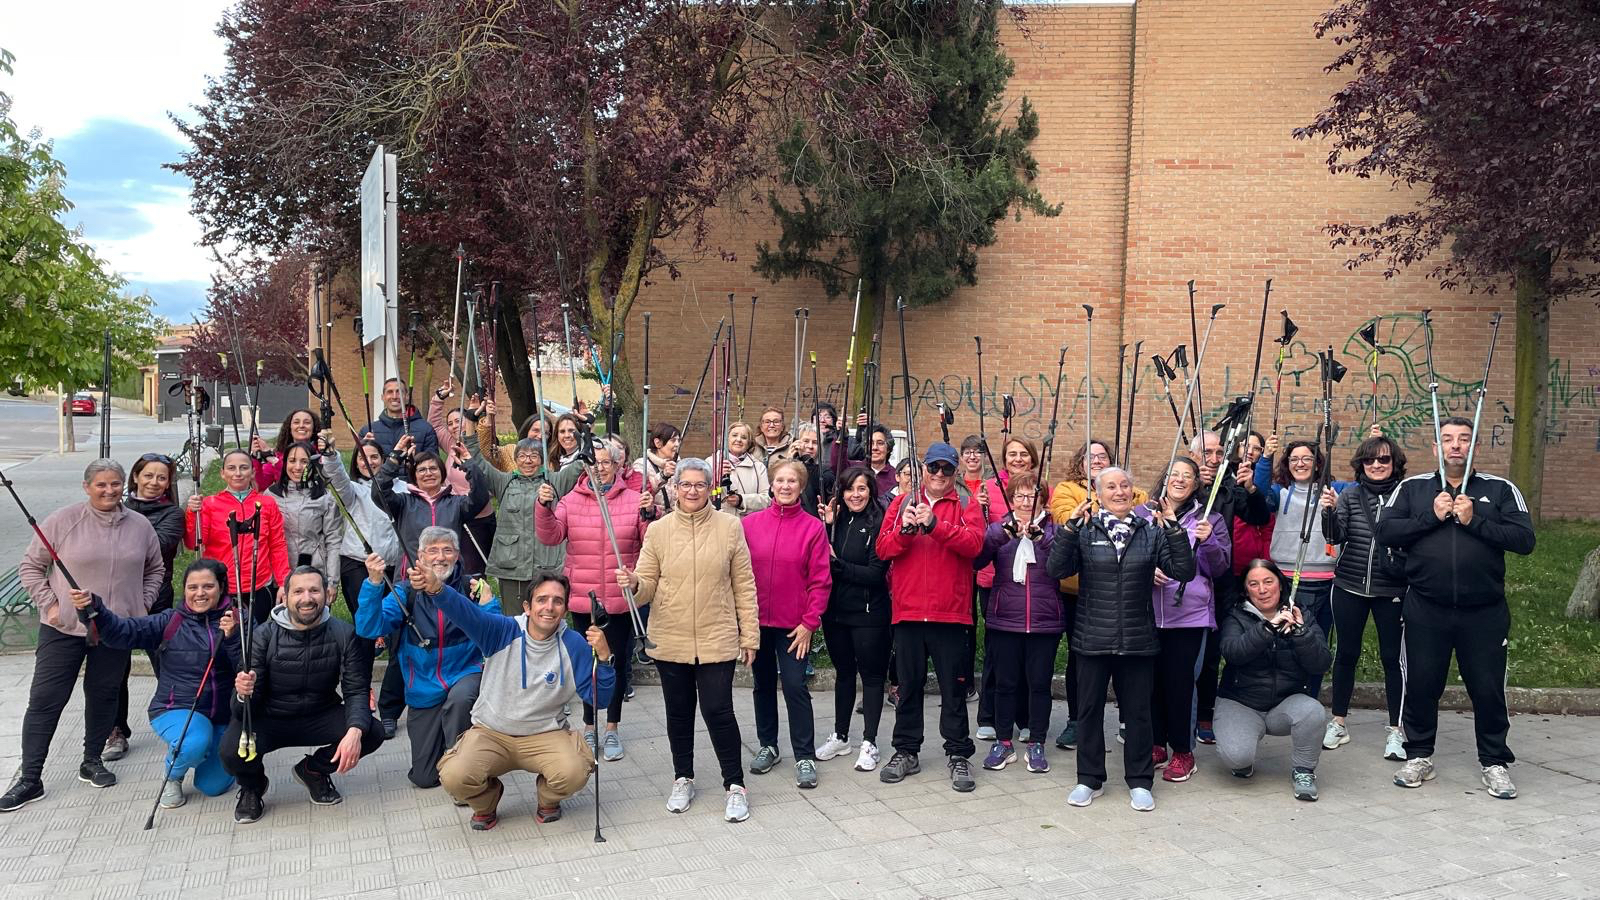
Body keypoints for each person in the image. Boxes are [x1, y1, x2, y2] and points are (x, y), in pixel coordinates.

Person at [1379, 416, 1535, 799]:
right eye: (1447, 439)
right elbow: (1386, 532)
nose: (1455, 446)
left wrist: (1474, 520)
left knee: (1486, 688)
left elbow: (1524, 539)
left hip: (1483, 611)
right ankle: (1419, 755)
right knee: (1421, 684)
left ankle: (1494, 761)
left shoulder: (1500, 490)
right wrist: (1430, 517)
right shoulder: (1412, 488)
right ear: (1435, 447)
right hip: (1426, 607)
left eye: (1464, 439)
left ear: (1475, 446)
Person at [2, 460, 164, 811]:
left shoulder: (140, 525)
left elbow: (156, 568)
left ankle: (92, 760)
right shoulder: (63, 520)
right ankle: (30, 777)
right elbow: (30, 566)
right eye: (101, 485)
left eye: (116, 484)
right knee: (46, 698)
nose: (109, 491)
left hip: (115, 628)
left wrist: (142, 605)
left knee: (104, 694)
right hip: (64, 628)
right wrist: (52, 605)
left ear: (126, 485)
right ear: (86, 486)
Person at [614, 458, 759, 822]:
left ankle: (735, 785)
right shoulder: (659, 531)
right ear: (675, 488)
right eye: (685, 485)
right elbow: (647, 585)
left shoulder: (729, 527)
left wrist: (750, 634)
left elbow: (744, 584)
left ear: (709, 488)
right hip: (671, 637)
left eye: (699, 485)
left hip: (717, 635)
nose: (692, 491)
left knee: (718, 710)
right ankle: (683, 777)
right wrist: (634, 584)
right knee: (678, 713)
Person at [1048, 466, 1194, 812]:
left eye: (1125, 485)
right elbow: (1056, 570)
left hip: (1137, 638)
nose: (1119, 492)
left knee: (1139, 714)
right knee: (1088, 712)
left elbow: (1183, 570)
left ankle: (1141, 781)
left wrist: (1172, 526)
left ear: (1134, 492)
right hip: (1091, 637)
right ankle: (1089, 779)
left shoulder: (1150, 532)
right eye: (1110, 487)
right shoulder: (1085, 530)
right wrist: (1070, 528)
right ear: (1098, 494)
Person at [432, 571, 614, 830]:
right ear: (527, 607)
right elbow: (464, 612)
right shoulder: (500, 630)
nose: (549, 607)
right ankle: (487, 802)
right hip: (492, 732)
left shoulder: (574, 644)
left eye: (557, 601)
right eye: (542, 600)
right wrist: (438, 589)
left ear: (565, 609)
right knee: (454, 776)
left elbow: (600, 700)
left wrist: (605, 659)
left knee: (574, 771)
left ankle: (548, 799)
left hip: (545, 734)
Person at [70, 558, 241, 810]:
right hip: (177, 708)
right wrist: (95, 609)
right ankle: (174, 774)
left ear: (221, 587)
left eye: (208, 586)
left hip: (225, 715)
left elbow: (252, 667)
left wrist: (233, 637)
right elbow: (121, 632)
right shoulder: (169, 621)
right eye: (193, 587)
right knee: (194, 739)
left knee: (213, 787)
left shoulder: (240, 620)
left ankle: (201, 751)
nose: (200, 593)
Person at [223, 566, 385, 824]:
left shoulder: (343, 634)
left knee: (372, 732)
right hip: (270, 718)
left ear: (327, 594)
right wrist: (243, 695)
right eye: (298, 591)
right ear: (284, 597)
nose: (307, 598)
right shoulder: (262, 636)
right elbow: (241, 712)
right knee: (232, 749)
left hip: (319, 713)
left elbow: (355, 690)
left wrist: (354, 731)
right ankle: (253, 786)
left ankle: (314, 770)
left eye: (314, 590)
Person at [875, 442, 986, 793]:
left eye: (947, 469)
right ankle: (906, 750)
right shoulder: (901, 502)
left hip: (951, 612)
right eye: (934, 468)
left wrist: (936, 524)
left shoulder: (966, 503)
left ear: (955, 472)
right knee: (908, 687)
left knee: (954, 689)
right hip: (908, 611)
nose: (939, 475)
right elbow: (883, 549)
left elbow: (974, 546)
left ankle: (958, 753)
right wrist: (905, 532)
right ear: (923, 468)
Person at [534, 435, 648, 761]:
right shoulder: (571, 499)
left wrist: (650, 514)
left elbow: (649, 542)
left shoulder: (633, 499)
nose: (600, 469)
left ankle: (612, 727)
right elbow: (551, 535)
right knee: (588, 661)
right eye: (594, 463)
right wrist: (543, 507)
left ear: (618, 466)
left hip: (621, 596)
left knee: (616, 661)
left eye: (606, 463)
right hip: (584, 597)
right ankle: (589, 724)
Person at [356, 528, 496, 788]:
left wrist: (488, 605)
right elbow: (368, 628)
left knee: (461, 700)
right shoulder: (405, 592)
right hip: (423, 684)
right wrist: (373, 584)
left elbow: (495, 632)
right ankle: (450, 747)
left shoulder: (471, 587)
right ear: (419, 556)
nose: (440, 557)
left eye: (447, 550)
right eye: (432, 550)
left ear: (457, 555)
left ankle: (464, 774)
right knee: (425, 778)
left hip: (466, 672)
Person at [1048, 440, 1149, 752]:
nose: (1096, 459)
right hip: (1080, 590)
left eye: (1102, 456)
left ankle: (1125, 718)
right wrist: (1099, 503)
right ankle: (1078, 720)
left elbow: (1142, 502)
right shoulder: (1067, 489)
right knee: (1083, 662)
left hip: (1121, 591)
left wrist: (1111, 496)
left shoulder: (1122, 487)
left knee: (1124, 657)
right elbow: (1065, 518)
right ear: (1080, 461)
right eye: (1090, 456)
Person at [1135, 457, 1229, 784]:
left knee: (1180, 685)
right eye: (1173, 474)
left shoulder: (1209, 520)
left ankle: (1184, 751)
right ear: (1164, 478)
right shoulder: (1143, 515)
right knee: (1151, 683)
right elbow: (1129, 558)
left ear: (1194, 484)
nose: (1178, 480)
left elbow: (1218, 568)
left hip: (1189, 616)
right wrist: (1148, 571)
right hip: (1147, 614)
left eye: (1186, 476)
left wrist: (1210, 541)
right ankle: (1156, 744)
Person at [742, 459, 831, 788]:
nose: (785, 486)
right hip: (757, 624)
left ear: (801, 486)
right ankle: (768, 745)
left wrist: (810, 622)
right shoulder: (750, 525)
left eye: (792, 481)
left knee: (795, 685)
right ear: (771, 483)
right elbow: (739, 576)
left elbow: (820, 581)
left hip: (795, 626)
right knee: (762, 685)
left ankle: (805, 754)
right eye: (779, 480)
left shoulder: (813, 528)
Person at [1213, 559, 1333, 801]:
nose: (1262, 589)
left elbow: (1321, 663)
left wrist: (1301, 633)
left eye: (1269, 582)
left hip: (1284, 704)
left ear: (1280, 585)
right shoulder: (1236, 615)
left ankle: (1304, 771)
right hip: (1241, 702)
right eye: (1254, 584)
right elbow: (1233, 653)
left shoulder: (1302, 614)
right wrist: (1267, 629)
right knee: (1238, 757)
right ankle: (1244, 751)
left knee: (1313, 712)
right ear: (1246, 590)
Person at [1322, 433, 1409, 760]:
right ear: (1361, 465)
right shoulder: (1350, 496)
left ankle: (1396, 730)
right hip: (1349, 586)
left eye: (1384, 459)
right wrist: (1328, 513)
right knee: (1345, 653)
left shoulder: (1406, 495)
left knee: (1392, 659)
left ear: (1394, 463)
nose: (1376, 465)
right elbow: (1335, 536)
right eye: (1369, 460)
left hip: (1392, 589)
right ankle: (1338, 721)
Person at [972, 473, 1062, 775]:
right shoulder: (1000, 528)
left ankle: (1036, 742)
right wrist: (1001, 535)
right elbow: (978, 559)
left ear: (1042, 499)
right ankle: (1003, 742)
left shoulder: (1055, 530)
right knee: (1005, 684)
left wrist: (1042, 538)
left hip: (1043, 621)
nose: (1026, 502)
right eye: (1020, 497)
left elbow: (1065, 562)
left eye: (1032, 496)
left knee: (1039, 684)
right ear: (1011, 500)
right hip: (1005, 619)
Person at [1190, 428, 1271, 746]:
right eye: (1206, 453)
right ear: (1194, 455)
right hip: (1180, 583)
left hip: (1219, 584)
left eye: (1218, 453)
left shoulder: (1228, 486)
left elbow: (1258, 516)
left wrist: (1250, 489)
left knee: (1211, 653)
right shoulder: (1181, 480)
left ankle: (1206, 713)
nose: (1213, 459)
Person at [106, 452, 186, 761]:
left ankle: (176, 723)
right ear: (136, 476)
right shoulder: (115, 506)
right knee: (114, 669)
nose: (154, 482)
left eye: (161, 477)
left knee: (167, 666)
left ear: (168, 483)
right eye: (148, 475)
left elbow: (158, 546)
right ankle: (115, 729)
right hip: (117, 599)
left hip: (156, 599)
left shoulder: (172, 514)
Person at [816, 466, 891, 772]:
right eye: (849, 489)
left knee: (872, 678)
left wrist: (840, 567)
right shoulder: (836, 521)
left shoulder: (879, 522)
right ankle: (841, 735)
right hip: (836, 613)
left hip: (869, 613)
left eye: (861, 489)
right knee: (844, 673)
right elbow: (822, 556)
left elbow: (876, 574)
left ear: (871, 490)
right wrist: (827, 525)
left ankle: (870, 742)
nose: (855, 495)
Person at [1254, 436, 1347, 672]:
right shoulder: (1279, 492)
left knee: (1315, 645)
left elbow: (1368, 482)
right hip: (1285, 578)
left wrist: (1375, 443)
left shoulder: (1335, 490)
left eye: (1307, 458)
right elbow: (1258, 491)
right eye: (1294, 459)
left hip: (1325, 582)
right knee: (1284, 643)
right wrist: (1266, 458)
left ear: (1318, 464)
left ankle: (1309, 699)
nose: (1300, 463)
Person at [469, 426, 583, 614]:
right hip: (512, 565)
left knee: (547, 615)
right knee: (514, 620)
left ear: (542, 460)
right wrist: (471, 429)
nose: (527, 461)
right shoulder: (504, 481)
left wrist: (584, 434)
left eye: (533, 456)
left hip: (547, 563)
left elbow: (581, 464)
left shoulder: (555, 481)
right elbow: (478, 462)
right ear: (515, 459)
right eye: (522, 456)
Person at [185, 448, 292, 625]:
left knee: (255, 637)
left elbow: (277, 545)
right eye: (231, 468)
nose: (238, 473)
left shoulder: (267, 503)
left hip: (258, 586)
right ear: (222, 473)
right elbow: (193, 542)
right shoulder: (210, 504)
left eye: (243, 468)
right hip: (222, 587)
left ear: (252, 472)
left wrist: (283, 582)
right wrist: (192, 513)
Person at [372, 435, 490, 566]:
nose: (428, 473)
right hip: (411, 577)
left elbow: (481, 496)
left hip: (448, 578)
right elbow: (378, 492)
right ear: (414, 476)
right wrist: (393, 460)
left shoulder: (457, 504)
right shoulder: (403, 503)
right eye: (422, 470)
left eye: (433, 469)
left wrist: (470, 464)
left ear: (442, 474)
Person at [319, 437, 402, 618]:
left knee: (393, 619)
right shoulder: (353, 490)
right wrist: (331, 456)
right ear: (356, 463)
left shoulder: (403, 488)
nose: (369, 462)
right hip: (358, 563)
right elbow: (337, 477)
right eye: (363, 458)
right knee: (365, 618)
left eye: (374, 457)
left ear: (383, 459)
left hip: (393, 566)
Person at [961, 434, 1010, 734]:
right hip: (982, 569)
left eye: (978, 452)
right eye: (967, 452)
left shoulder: (996, 485)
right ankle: (985, 709)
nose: (972, 457)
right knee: (979, 633)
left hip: (1011, 574)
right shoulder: (971, 487)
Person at [428, 383, 497, 575]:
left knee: (477, 569)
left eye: (458, 421)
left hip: (480, 518)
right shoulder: (451, 444)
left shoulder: (479, 445)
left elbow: (485, 431)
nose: (453, 426)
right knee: (458, 568)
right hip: (457, 515)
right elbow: (434, 423)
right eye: (450, 423)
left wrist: (478, 415)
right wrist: (439, 397)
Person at [267, 441, 343, 591]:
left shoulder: (324, 497)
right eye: (292, 461)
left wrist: (332, 581)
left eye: (304, 461)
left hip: (314, 571)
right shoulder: (270, 495)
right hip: (279, 574)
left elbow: (333, 540)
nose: (297, 467)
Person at [359, 377, 439, 456]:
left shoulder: (425, 429)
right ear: (382, 397)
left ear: (407, 396)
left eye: (399, 392)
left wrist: (413, 461)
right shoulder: (367, 431)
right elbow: (358, 465)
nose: (394, 396)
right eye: (390, 392)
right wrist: (365, 448)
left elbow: (433, 464)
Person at [709, 422, 771, 517]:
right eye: (734, 435)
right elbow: (699, 494)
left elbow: (767, 499)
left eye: (744, 437)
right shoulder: (710, 463)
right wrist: (715, 480)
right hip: (717, 524)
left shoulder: (758, 467)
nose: (738, 440)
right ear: (725, 439)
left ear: (749, 443)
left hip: (747, 526)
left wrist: (742, 500)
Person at [251, 408, 319, 490]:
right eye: (296, 422)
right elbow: (261, 486)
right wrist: (255, 457)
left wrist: (274, 460)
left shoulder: (320, 454)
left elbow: (301, 479)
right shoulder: (279, 454)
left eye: (307, 423)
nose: (301, 426)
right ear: (289, 428)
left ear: (314, 428)